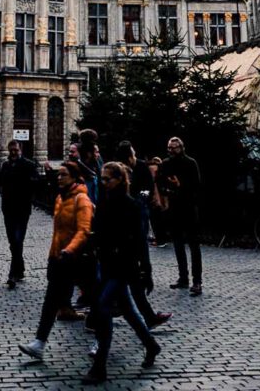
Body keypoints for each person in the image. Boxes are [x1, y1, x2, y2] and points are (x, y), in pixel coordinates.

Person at [81, 162, 161, 385]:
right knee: (129, 311)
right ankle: (151, 345)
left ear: (120, 179)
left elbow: (139, 241)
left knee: (104, 307)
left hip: (123, 267)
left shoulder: (131, 205)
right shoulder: (105, 202)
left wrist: (146, 270)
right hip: (107, 265)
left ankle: (99, 367)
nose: (103, 182)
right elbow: (99, 231)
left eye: (108, 179)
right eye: (102, 179)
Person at [19, 161, 93, 362]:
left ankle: (106, 342)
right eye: (58, 174)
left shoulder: (82, 200)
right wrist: (54, 254)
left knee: (99, 302)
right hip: (59, 258)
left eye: (63, 174)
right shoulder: (60, 198)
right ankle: (39, 343)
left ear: (75, 177)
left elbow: (84, 230)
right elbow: (58, 232)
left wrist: (69, 250)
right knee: (50, 302)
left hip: (78, 259)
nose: (59, 178)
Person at [115, 142, 172, 331]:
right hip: (125, 226)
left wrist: (141, 199)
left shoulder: (140, 166)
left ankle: (146, 316)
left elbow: (148, 186)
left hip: (139, 213)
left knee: (130, 276)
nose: (133, 157)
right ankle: (103, 316)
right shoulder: (117, 170)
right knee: (124, 278)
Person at [159, 136, 203, 296]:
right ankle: (183, 277)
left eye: (174, 148)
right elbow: (160, 183)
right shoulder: (165, 164)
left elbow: (196, 186)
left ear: (181, 148)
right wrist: (168, 192)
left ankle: (197, 281)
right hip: (174, 208)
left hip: (189, 208)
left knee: (194, 246)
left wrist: (180, 186)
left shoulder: (190, 163)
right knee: (178, 245)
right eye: (169, 148)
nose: (171, 151)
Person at [0, 140, 40, 289]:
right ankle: (20, 269)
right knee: (12, 240)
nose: (13, 152)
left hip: (22, 207)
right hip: (8, 207)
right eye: (11, 150)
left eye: (15, 150)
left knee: (17, 239)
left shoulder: (28, 164)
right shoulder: (6, 165)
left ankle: (12, 274)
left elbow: (36, 182)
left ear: (20, 150)